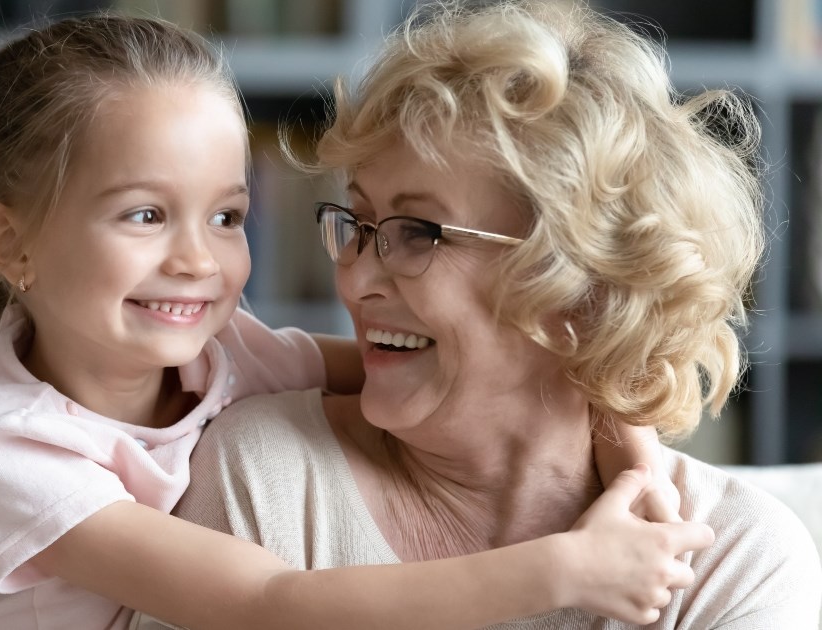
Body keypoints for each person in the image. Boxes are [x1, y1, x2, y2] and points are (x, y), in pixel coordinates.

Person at [0, 13, 717, 630]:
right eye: (145, 216)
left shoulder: (223, 357)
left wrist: (635, 467)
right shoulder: (7, 456)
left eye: (226, 218)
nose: (197, 261)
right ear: (13, 244)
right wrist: (563, 572)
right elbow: (268, 602)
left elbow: (514, 374)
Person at [133, 1, 822, 629]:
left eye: (418, 232)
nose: (358, 277)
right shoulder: (268, 477)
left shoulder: (731, 562)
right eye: (362, 223)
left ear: (578, 288)